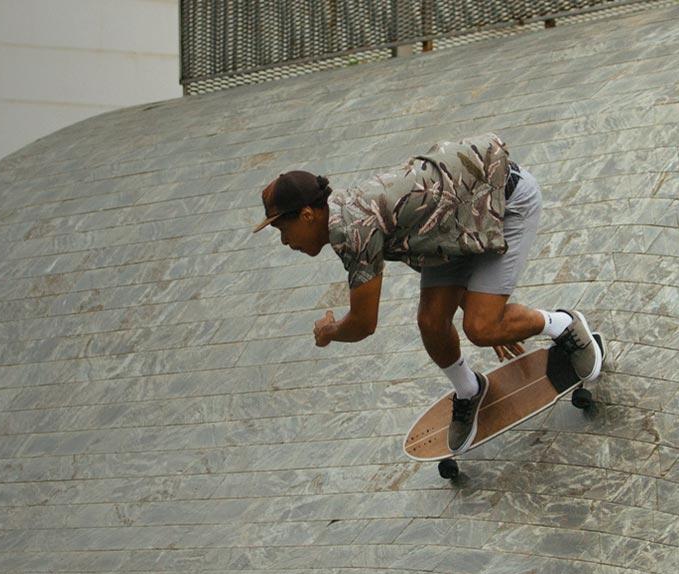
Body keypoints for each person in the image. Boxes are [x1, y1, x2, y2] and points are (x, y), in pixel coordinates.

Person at [252, 133, 602, 453]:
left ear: (308, 215)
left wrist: (328, 332)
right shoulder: (343, 213)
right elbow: (425, 232)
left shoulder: (352, 230)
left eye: (284, 229)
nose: (286, 242)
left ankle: (565, 326)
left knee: (480, 328)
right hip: (453, 231)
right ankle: (470, 390)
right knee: (432, 322)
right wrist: (482, 305)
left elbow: (363, 323)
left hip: (504, 202)